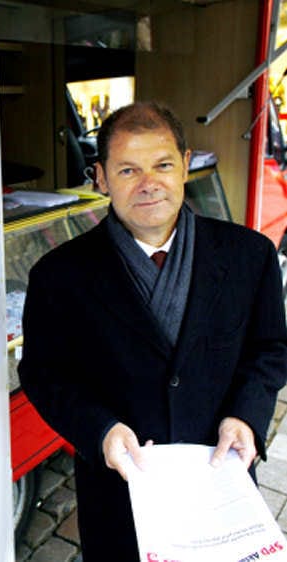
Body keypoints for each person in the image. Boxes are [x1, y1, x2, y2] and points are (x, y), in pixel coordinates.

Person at [18, 101, 287, 561]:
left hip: (220, 481)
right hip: (120, 493)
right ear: (100, 178)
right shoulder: (58, 276)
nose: (149, 183)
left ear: (185, 164)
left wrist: (246, 417)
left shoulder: (249, 256)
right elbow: (44, 374)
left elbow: (270, 349)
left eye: (162, 165)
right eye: (128, 170)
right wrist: (100, 430)